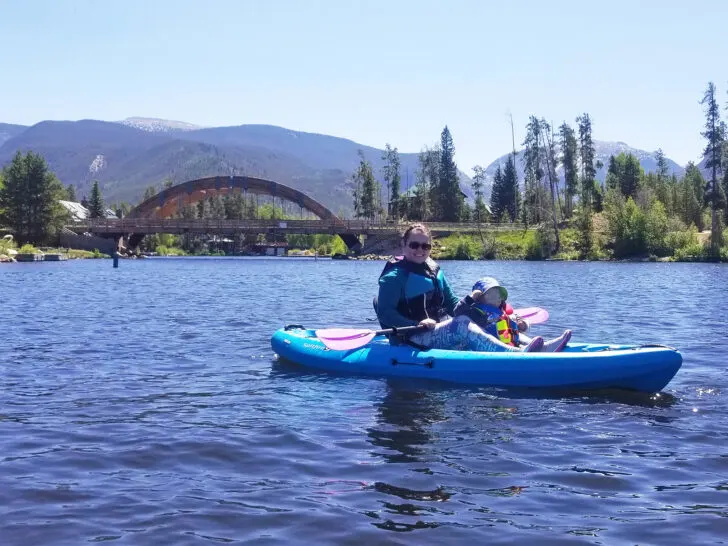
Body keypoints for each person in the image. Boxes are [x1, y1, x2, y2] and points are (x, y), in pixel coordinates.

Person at [375, 223, 545, 352]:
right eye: (414, 245)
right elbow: (386, 314)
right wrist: (417, 323)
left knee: (479, 317)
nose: (420, 250)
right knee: (462, 324)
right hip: (410, 337)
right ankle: (512, 354)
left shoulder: (433, 271)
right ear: (404, 244)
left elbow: (454, 307)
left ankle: (531, 345)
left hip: (436, 331)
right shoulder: (394, 277)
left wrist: (474, 303)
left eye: (425, 246)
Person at [454, 277, 572, 352]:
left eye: (500, 294)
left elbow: (515, 326)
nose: (499, 297)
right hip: (489, 347)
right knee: (513, 341)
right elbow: (457, 312)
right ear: (480, 298)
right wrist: (471, 298)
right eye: (493, 294)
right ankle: (522, 351)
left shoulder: (502, 311)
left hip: (509, 342)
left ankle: (544, 347)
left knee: (518, 334)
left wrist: (523, 325)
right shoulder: (475, 311)